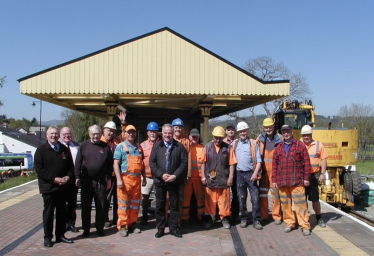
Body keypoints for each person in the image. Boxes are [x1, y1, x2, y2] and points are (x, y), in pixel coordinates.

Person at [34, 125, 74, 247]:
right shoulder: (41, 150)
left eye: (56, 134)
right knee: (49, 213)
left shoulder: (63, 149)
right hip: (49, 188)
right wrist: (53, 179)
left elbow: (70, 167)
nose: (54, 136)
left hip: (62, 188)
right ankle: (47, 237)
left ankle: (60, 235)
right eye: (51, 134)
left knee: (62, 212)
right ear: (47, 135)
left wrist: (68, 177)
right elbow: (39, 170)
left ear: (59, 136)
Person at [150, 124, 188, 238]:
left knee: (174, 206)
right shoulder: (157, 146)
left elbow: (184, 163)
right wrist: (161, 175)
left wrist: (175, 175)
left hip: (174, 181)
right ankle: (160, 229)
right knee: (160, 206)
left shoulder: (179, 146)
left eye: (169, 133)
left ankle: (173, 228)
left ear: (172, 133)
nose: (167, 135)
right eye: (165, 133)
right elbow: (152, 163)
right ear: (162, 133)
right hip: (160, 181)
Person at [272, 124, 311, 236]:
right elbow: (274, 166)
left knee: (301, 204)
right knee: (285, 205)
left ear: (291, 132)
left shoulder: (300, 146)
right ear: (282, 133)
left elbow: (306, 163)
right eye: (284, 131)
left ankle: (305, 225)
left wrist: (306, 178)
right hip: (282, 182)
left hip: (297, 181)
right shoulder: (278, 147)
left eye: (287, 131)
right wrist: (274, 180)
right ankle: (289, 223)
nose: (286, 133)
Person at [75, 125, 113, 237]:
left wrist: (109, 179)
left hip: (100, 182)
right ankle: (86, 229)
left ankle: (100, 228)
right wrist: (77, 176)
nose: (95, 136)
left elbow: (109, 165)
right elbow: (78, 162)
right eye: (93, 134)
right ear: (89, 134)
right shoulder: (83, 145)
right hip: (86, 181)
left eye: (97, 133)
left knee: (100, 206)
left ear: (100, 134)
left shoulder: (105, 147)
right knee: (86, 206)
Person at [113, 125, 147, 237]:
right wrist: (118, 179)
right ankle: (123, 226)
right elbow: (116, 164)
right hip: (125, 179)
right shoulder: (120, 147)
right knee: (123, 204)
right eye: (129, 132)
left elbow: (141, 165)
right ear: (125, 133)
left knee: (134, 204)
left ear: (135, 133)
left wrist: (144, 178)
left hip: (137, 180)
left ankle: (132, 224)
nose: (131, 134)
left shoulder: (139, 147)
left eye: (133, 132)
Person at [201, 126, 237, 229]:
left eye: (220, 138)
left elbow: (232, 164)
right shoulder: (207, 147)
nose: (218, 140)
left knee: (224, 202)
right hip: (210, 180)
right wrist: (203, 176)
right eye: (216, 137)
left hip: (223, 180)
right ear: (213, 136)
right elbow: (202, 163)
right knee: (209, 202)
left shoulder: (228, 147)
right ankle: (209, 219)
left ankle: (225, 219)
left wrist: (230, 177)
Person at [233, 121, 263, 230]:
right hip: (239, 174)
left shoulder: (253, 143)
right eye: (241, 131)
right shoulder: (235, 143)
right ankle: (244, 218)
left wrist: (255, 174)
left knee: (255, 198)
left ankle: (256, 220)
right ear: (238, 132)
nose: (243, 133)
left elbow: (259, 161)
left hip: (251, 173)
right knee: (241, 198)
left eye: (244, 131)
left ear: (248, 131)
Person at [301, 125, 328, 228]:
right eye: (304, 135)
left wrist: (322, 173)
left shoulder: (318, 145)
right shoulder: (299, 145)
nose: (306, 137)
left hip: (313, 176)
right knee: (302, 199)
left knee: (315, 199)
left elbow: (324, 159)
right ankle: (305, 218)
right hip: (302, 176)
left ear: (311, 134)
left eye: (308, 135)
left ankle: (318, 217)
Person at [256, 118, 282, 225]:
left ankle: (276, 216)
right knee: (262, 195)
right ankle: (264, 216)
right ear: (264, 128)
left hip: (275, 172)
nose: (268, 129)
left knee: (276, 195)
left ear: (274, 126)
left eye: (270, 127)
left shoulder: (280, 139)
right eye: (266, 127)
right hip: (263, 172)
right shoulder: (260, 139)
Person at [181, 129, 205, 223]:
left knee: (201, 198)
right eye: (193, 136)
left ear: (198, 137)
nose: (194, 138)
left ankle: (201, 215)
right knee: (186, 198)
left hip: (199, 178)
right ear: (189, 137)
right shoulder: (186, 148)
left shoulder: (202, 148)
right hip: (188, 178)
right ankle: (184, 216)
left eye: (196, 136)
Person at [59, 127, 80, 233]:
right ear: (60, 135)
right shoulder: (58, 146)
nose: (67, 136)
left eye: (69, 133)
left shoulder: (77, 146)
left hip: (73, 179)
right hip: (61, 180)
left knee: (72, 203)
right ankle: (63, 224)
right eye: (64, 134)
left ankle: (71, 224)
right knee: (62, 204)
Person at [140, 122, 159, 225]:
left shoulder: (161, 144)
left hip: (158, 176)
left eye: (155, 131)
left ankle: (159, 217)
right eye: (151, 131)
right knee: (145, 196)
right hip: (146, 176)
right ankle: (144, 216)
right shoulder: (142, 145)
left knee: (159, 197)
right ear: (147, 133)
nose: (153, 133)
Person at [101, 120, 119, 228]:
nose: (111, 133)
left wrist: (123, 123)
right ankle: (105, 219)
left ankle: (116, 218)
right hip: (105, 176)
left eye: (113, 131)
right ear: (104, 131)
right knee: (105, 198)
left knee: (116, 198)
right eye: (109, 131)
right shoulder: (100, 142)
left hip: (115, 175)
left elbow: (124, 137)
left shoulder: (115, 142)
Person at [223, 123, 239, 223]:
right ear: (226, 131)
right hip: (225, 170)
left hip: (237, 170)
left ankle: (235, 214)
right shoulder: (222, 141)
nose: (230, 131)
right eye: (229, 130)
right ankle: (225, 214)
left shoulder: (239, 141)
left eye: (232, 129)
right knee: (225, 194)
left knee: (236, 194)